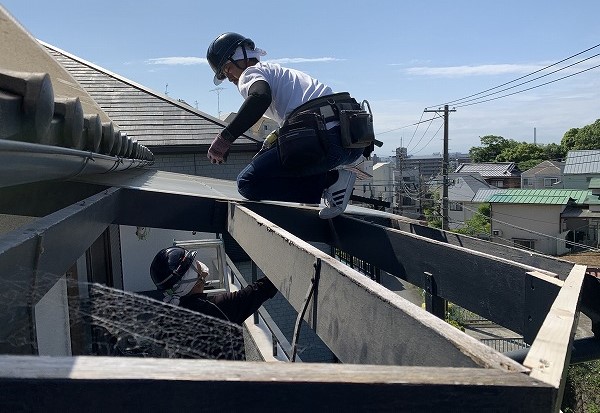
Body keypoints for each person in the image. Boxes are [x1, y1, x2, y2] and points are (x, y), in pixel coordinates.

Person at [206, 32, 377, 219]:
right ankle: (323, 192)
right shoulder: (279, 73)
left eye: (228, 69)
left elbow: (260, 97)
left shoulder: (250, 72)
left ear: (242, 58)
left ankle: (332, 181)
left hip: (324, 141)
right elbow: (300, 110)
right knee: (286, 167)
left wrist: (225, 138)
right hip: (352, 140)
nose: (229, 77)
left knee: (247, 183)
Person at [149, 246, 277, 326]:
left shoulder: (168, 317)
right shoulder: (217, 308)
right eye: (195, 264)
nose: (199, 264)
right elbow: (259, 290)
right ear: (190, 278)